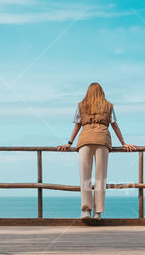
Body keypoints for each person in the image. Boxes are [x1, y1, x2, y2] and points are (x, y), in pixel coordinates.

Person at [57, 83, 136, 219]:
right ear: (102, 93)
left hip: (85, 141)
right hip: (102, 141)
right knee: (101, 177)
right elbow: (114, 125)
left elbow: (77, 125)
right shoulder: (109, 106)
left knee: (85, 177)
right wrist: (123, 143)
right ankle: (98, 212)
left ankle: (86, 210)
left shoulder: (81, 105)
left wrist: (69, 143)